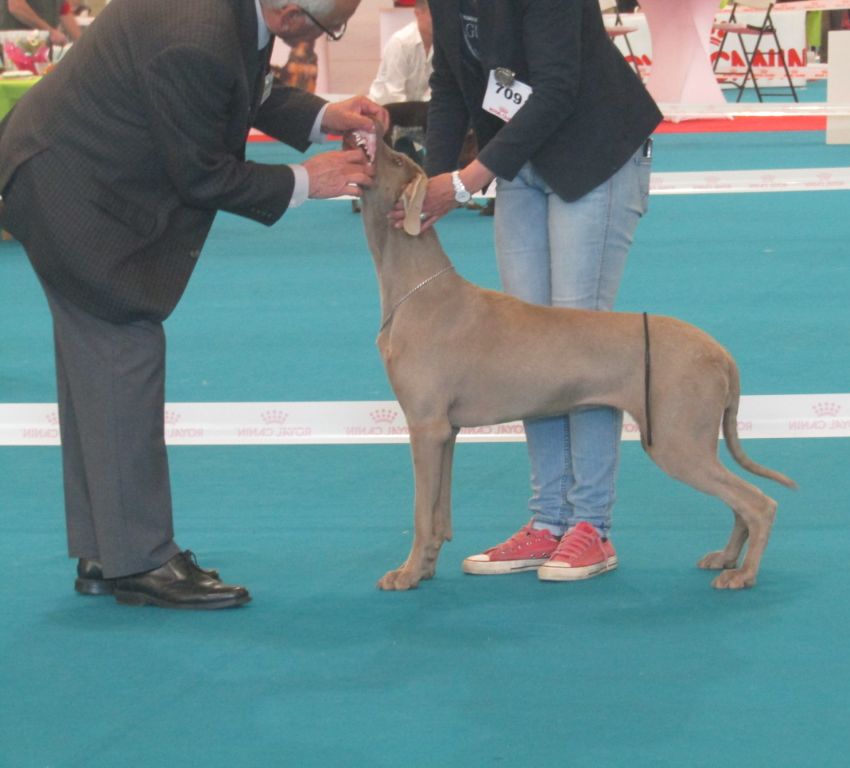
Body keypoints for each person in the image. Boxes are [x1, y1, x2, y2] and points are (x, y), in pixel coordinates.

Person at [0, 0, 389, 610]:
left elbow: (235, 89)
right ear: (290, 12)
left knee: (97, 362)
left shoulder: (233, 14)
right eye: (325, 25)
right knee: (124, 341)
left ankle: (107, 546)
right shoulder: (195, 35)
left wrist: (323, 115)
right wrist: (310, 181)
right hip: (73, 186)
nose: (321, 36)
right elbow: (202, 174)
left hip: (64, 163)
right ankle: (141, 560)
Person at [396, 0, 661, 581]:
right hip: (519, 161)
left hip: (595, 153)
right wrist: (432, 181)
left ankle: (591, 525)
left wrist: (467, 182)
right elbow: (448, 84)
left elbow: (559, 86)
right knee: (530, 349)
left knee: (580, 347)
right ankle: (547, 522)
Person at [368, 0, 432, 105]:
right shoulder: (401, 42)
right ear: (417, 13)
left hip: (410, 109)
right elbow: (393, 96)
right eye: (434, 15)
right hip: (383, 109)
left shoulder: (441, 44)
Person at [1, 0, 81, 46]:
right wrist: (50, 31)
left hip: (41, 46)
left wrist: (82, 43)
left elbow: (64, 11)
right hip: (14, 44)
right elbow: (16, 6)